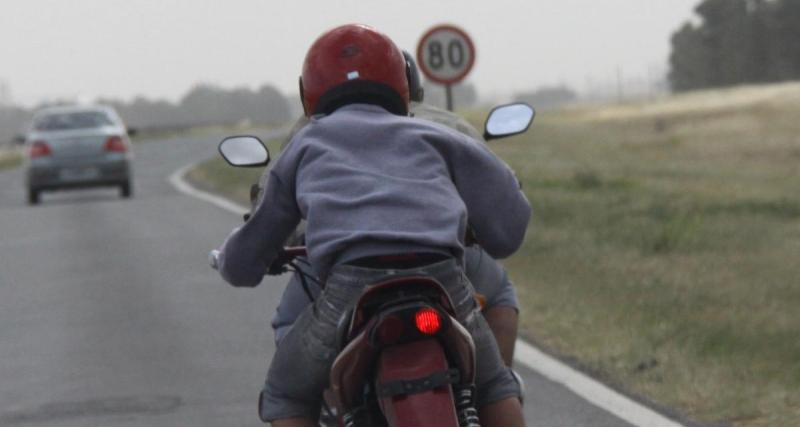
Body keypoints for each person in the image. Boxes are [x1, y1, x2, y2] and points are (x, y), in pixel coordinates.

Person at [215, 24, 530, 427]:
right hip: (442, 280)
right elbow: (509, 229)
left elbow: (251, 250)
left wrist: (231, 262)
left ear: (308, 92)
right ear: (402, 83)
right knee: (494, 386)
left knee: (285, 394)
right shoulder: (435, 133)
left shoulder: (305, 145)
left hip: (350, 289)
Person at [268, 51, 521, 367]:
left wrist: (272, 248)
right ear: (407, 87)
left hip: (343, 270)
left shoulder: (306, 135)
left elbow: (271, 209)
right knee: (495, 372)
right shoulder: (446, 124)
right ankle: (497, 389)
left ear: (312, 93)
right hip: (442, 259)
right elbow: (498, 196)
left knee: (287, 383)